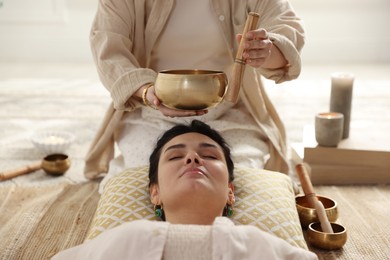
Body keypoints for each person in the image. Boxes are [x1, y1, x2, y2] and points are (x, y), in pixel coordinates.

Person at [84, 0, 305, 193]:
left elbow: (287, 29)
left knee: (236, 182)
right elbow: (108, 49)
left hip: (228, 112)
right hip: (151, 111)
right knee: (152, 181)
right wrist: (147, 92)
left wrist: (267, 51)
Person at [53, 120, 317, 259]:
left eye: (210, 156)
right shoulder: (121, 241)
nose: (193, 158)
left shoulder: (261, 246)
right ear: (154, 193)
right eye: (175, 156)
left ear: (230, 192)